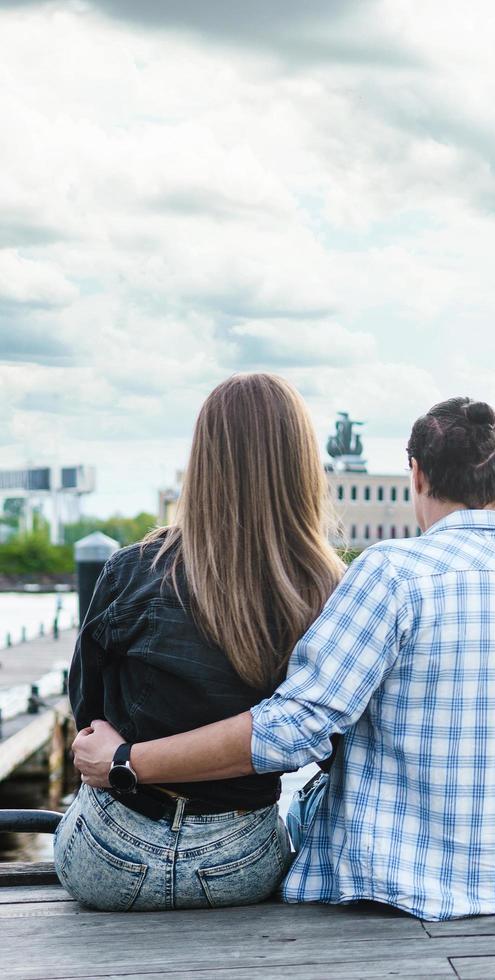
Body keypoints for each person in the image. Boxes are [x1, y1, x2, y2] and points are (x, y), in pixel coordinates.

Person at [73, 397, 495, 921]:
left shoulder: (394, 574)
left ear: (415, 473)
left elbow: (296, 729)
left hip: (401, 882)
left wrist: (127, 763)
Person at [57, 373, 344, 911]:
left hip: (107, 856)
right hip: (242, 862)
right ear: (302, 465)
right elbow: (332, 738)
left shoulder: (132, 570)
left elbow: (87, 715)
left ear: (204, 459)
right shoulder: (329, 591)